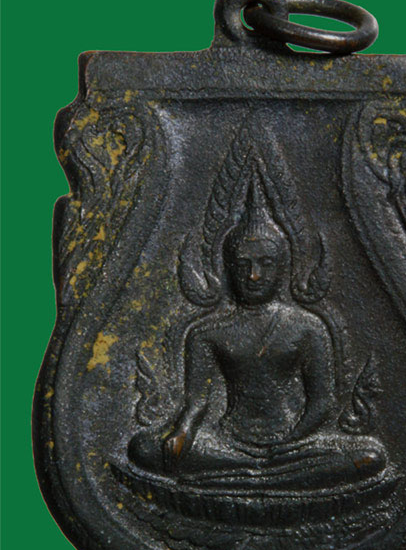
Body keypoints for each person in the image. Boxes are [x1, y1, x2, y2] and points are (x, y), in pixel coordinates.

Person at [129, 178, 386, 490]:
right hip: (228, 441)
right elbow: (198, 402)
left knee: (370, 456)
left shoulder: (307, 326)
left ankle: (245, 475)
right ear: (228, 269)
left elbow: (322, 402)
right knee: (143, 448)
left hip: (294, 442)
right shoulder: (207, 333)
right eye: (244, 265)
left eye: (265, 264)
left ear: (283, 267)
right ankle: (265, 473)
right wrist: (182, 432)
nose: (254, 275)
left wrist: (290, 441)